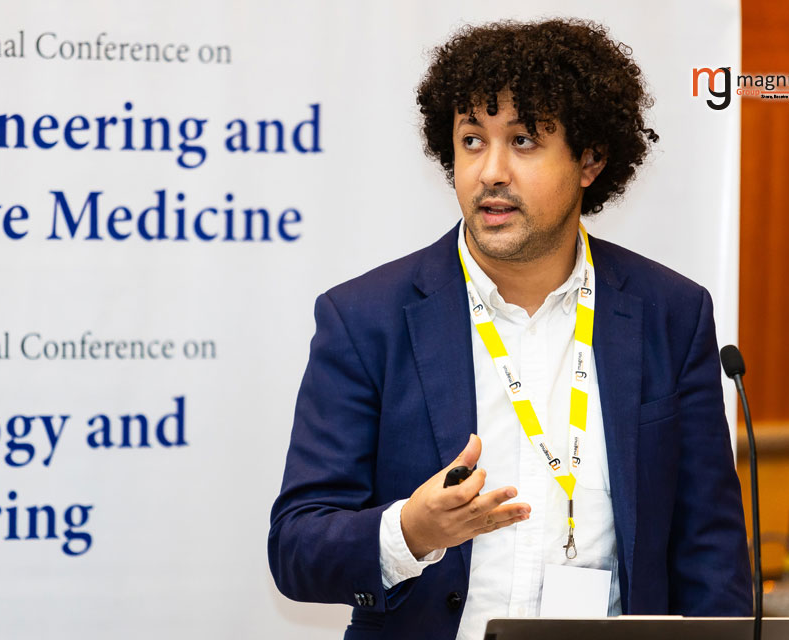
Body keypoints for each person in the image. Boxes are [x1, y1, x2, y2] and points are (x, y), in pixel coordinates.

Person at [268, 18, 752, 640]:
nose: (491, 171)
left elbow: (710, 555)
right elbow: (297, 547)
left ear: (590, 159)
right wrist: (411, 532)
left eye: (523, 141)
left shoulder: (670, 315)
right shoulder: (366, 318)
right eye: (472, 140)